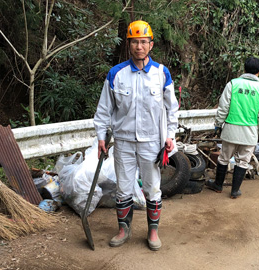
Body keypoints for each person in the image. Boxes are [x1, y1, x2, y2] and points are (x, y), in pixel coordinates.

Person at [93, 20, 179, 251]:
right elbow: (104, 110)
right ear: (128, 45)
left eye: (143, 42)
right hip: (123, 142)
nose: (139, 46)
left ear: (151, 45)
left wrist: (170, 135)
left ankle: (153, 232)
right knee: (123, 189)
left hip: (152, 142)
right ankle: (123, 229)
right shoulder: (116, 74)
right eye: (134, 42)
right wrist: (101, 137)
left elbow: (172, 108)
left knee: (152, 188)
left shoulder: (162, 74)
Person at [205, 57, 259, 198]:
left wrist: (218, 124)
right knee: (243, 161)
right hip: (250, 133)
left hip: (231, 130)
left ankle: (218, 185)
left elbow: (223, 107)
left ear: (244, 69)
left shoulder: (233, 84)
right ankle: (235, 191)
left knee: (224, 158)